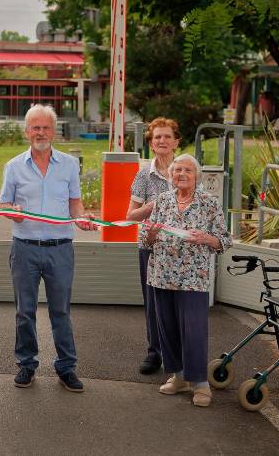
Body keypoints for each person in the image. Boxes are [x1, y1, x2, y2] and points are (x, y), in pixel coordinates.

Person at [0, 105, 93, 393]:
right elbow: (3, 203)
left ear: (54, 131)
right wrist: (10, 211)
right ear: (27, 131)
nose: (41, 133)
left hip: (60, 249)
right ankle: (26, 364)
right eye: (35, 127)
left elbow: (75, 203)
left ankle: (66, 367)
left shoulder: (68, 165)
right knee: (24, 311)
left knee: (60, 311)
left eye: (46, 127)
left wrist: (82, 218)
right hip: (25, 248)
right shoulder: (13, 166)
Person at [144, 154, 232, 408]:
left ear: (197, 177)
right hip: (161, 276)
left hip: (193, 279)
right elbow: (145, 240)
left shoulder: (209, 203)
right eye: (177, 170)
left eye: (187, 171)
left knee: (193, 330)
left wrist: (206, 238)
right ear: (171, 175)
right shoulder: (161, 201)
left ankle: (200, 383)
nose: (181, 174)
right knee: (167, 329)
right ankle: (179, 376)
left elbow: (224, 241)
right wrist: (151, 233)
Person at [125, 117, 179, 375]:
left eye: (167, 136)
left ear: (176, 141)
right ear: (151, 142)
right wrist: (149, 208)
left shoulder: (186, 171)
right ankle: (154, 352)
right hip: (150, 248)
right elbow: (129, 215)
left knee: (179, 303)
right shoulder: (144, 175)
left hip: (181, 251)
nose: (162, 141)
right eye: (157, 137)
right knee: (153, 303)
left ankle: (176, 354)